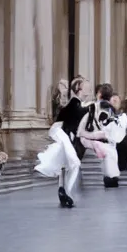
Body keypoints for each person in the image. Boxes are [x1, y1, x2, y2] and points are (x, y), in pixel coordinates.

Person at [35, 76, 93, 208]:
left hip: (64, 134)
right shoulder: (74, 103)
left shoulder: (77, 104)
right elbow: (72, 120)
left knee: (66, 162)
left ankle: (63, 190)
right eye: (86, 87)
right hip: (62, 133)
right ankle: (67, 192)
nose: (89, 90)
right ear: (79, 89)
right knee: (73, 163)